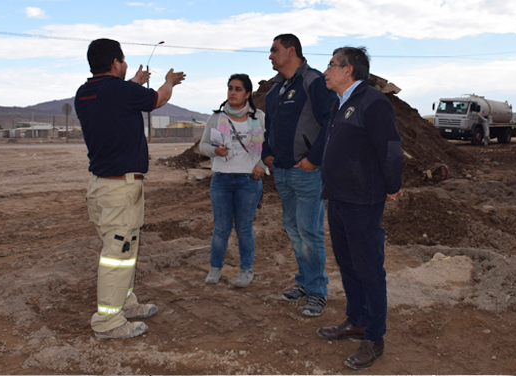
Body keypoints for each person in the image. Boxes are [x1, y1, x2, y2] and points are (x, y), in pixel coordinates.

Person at [74, 38, 185, 339]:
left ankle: (125, 302)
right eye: (122, 61)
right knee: (117, 253)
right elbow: (157, 99)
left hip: (101, 187)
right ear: (114, 63)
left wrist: (135, 81)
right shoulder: (121, 91)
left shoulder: (85, 93)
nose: (125, 65)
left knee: (125, 249)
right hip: (120, 190)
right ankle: (108, 322)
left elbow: (116, 101)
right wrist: (169, 82)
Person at [316, 46, 403, 369]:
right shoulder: (341, 103)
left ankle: (374, 338)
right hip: (338, 198)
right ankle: (357, 321)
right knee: (348, 264)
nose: (326, 71)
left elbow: (391, 149)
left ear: (348, 70)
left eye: (331, 65)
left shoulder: (373, 102)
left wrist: (392, 185)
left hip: (363, 201)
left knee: (368, 269)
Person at [262, 33, 337, 316]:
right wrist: (267, 153)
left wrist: (313, 159)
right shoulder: (275, 90)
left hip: (306, 174)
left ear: (291, 51)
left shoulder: (313, 81)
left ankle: (317, 292)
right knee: (294, 232)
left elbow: (331, 121)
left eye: (274, 50)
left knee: (310, 233)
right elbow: (269, 127)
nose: (270, 56)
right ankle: (304, 282)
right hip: (281, 172)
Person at [199, 74, 266, 288]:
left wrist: (262, 165)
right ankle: (215, 268)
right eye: (230, 88)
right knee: (221, 228)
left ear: (247, 94)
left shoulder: (259, 117)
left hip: (249, 179)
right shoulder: (217, 118)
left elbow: (271, 144)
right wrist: (215, 151)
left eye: (238, 89)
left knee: (244, 228)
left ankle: (246, 270)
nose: (233, 92)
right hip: (221, 180)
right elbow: (203, 146)